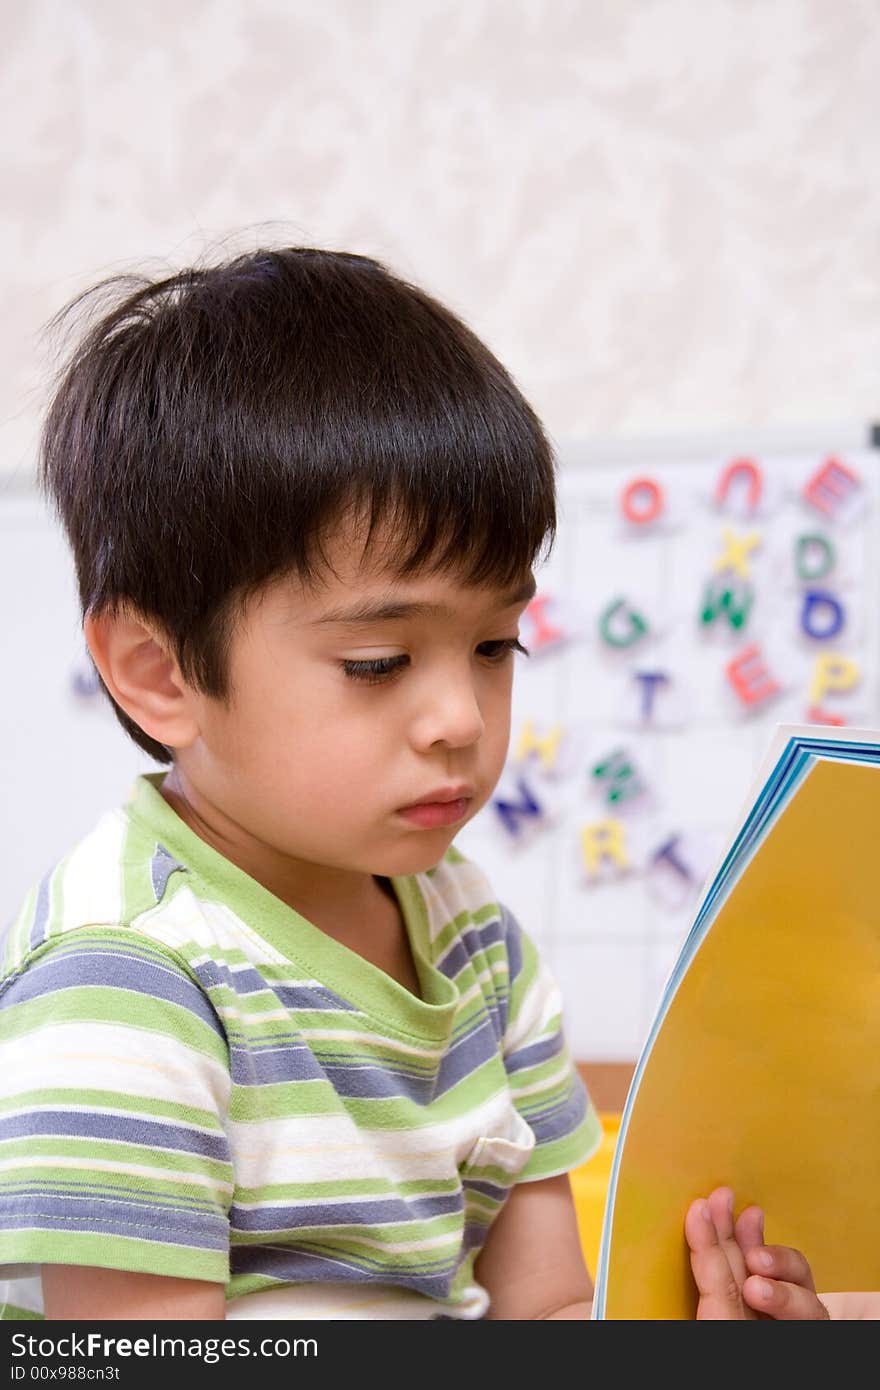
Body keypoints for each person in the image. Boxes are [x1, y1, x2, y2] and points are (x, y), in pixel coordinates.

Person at [0, 245, 867, 1322]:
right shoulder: (124, 972)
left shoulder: (476, 944)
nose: (461, 718)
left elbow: (541, 1312)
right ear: (158, 672)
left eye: (497, 648)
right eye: (378, 663)